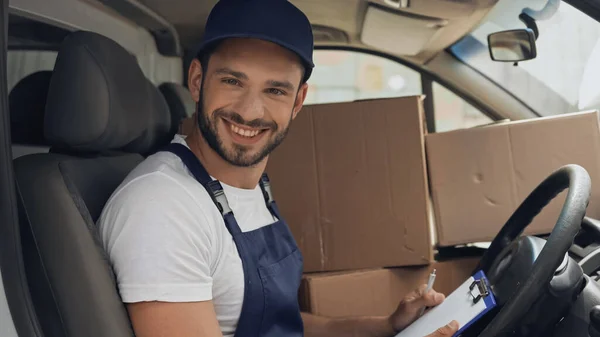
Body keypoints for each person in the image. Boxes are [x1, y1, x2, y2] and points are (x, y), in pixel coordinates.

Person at [97, 0, 460, 336]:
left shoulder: (246, 185)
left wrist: (387, 327)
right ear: (196, 80)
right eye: (232, 81)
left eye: (275, 91)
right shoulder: (162, 207)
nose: (251, 111)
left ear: (298, 100)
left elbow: (275, 322)